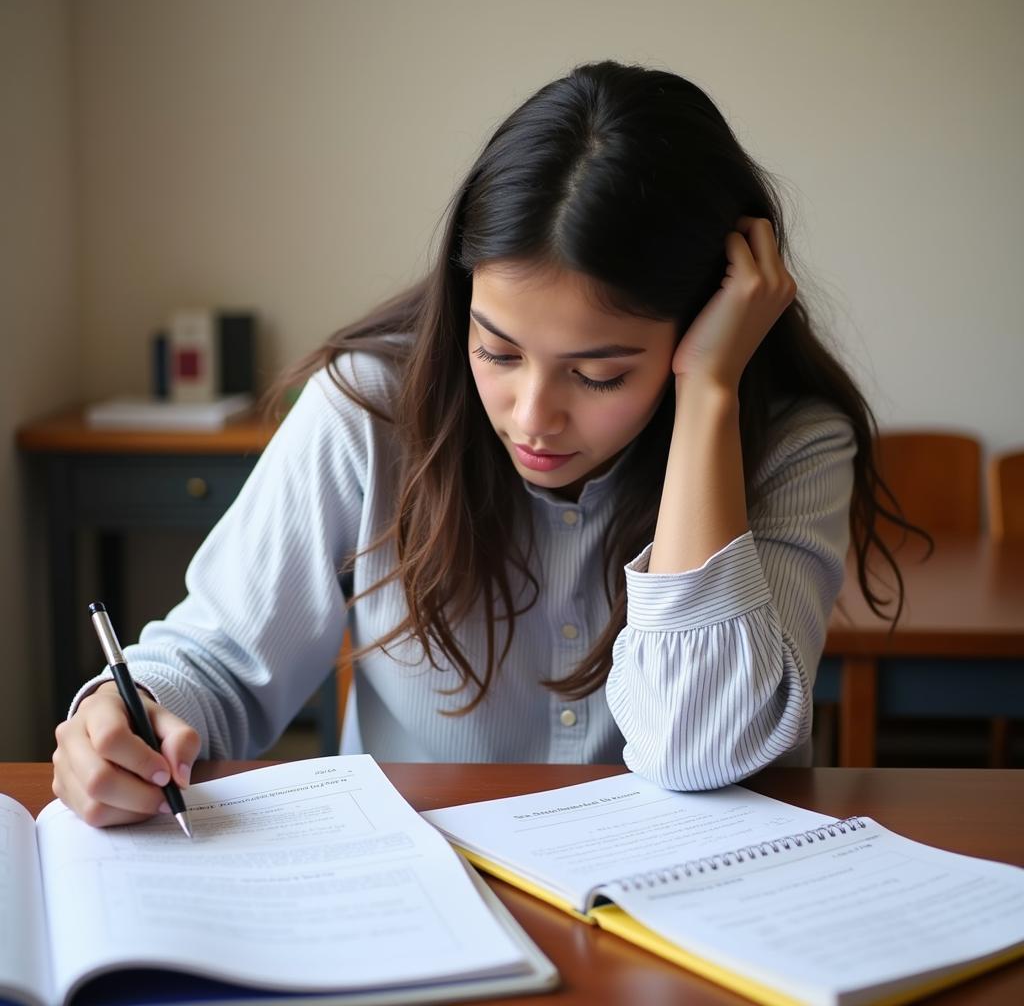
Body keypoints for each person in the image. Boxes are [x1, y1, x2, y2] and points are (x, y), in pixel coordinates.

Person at [52, 61, 917, 828]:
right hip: (425, 915)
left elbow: (701, 746)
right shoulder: (369, 411)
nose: (533, 415)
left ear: (702, 332)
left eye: (601, 374)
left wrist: (710, 398)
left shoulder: (790, 445)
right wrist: (123, 719)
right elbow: (219, 659)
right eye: (497, 351)